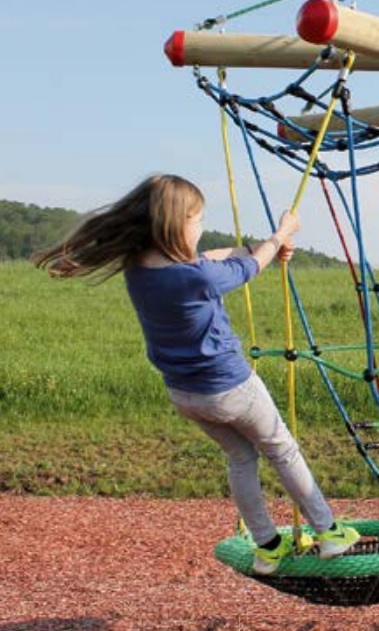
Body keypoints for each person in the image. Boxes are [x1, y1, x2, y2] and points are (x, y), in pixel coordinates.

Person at [33, 174, 359, 575]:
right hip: (230, 387)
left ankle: (267, 546)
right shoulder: (197, 278)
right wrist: (280, 235)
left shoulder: (140, 269)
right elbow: (248, 267)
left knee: (241, 457)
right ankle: (328, 532)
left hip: (185, 396)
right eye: (197, 220)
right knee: (281, 448)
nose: (201, 228)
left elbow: (216, 256)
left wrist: (263, 246)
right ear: (175, 223)